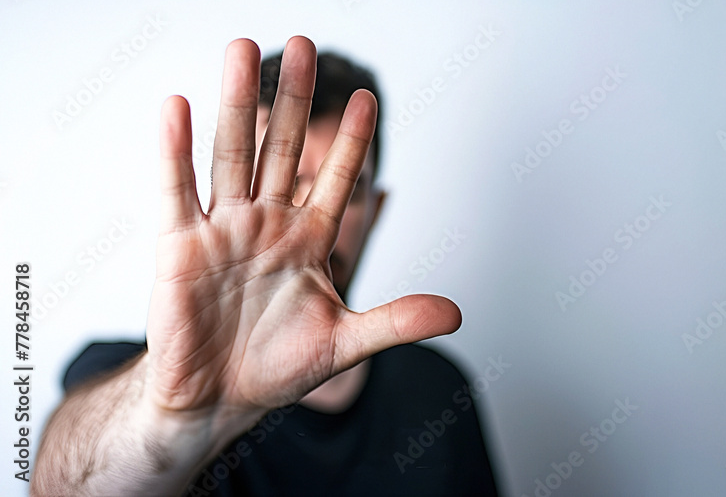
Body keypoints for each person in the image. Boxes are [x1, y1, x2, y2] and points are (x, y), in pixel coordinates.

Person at [32, 37, 499, 496]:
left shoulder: (436, 391)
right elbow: (58, 488)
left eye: (346, 190)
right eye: (287, 184)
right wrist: (170, 414)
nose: (314, 220)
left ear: (375, 212)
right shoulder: (127, 381)